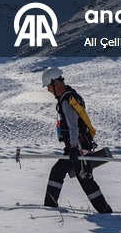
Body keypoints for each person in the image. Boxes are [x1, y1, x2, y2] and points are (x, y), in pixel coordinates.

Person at [41, 66, 113, 213]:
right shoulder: (71, 96)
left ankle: (106, 213)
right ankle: (49, 206)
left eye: (48, 86)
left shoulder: (66, 101)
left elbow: (73, 126)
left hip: (77, 148)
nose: (48, 90)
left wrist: (74, 148)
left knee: (85, 178)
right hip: (76, 147)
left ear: (55, 83)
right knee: (58, 172)